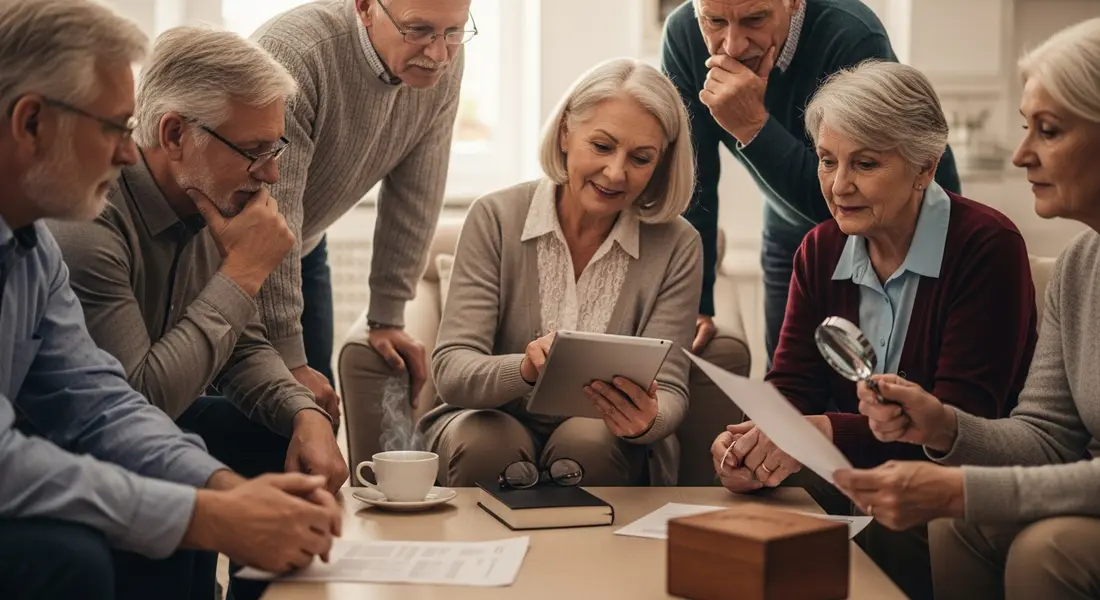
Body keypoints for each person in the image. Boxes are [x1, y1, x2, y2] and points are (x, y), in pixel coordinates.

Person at [0, 2, 342, 600]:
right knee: (66, 559)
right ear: (31, 123)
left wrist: (228, 489)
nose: (127, 152)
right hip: (36, 452)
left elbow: (99, 402)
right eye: (112, 127)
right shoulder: (80, 226)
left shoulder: (32, 247)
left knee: (244, 441)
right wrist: (204, 513)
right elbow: (120, 404)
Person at [709, 61, 1037, 599]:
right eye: (826, 160)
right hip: (853, 478)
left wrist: (823, 432)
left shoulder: (986, 246)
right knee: (749, 503)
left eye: (865, 163)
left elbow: (965, 423)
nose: (839, 186)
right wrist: (750, 445)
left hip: (955, 486)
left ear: (924, 168)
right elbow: (790, 386)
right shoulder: (820, 249)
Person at [833, 18, 1100, 600]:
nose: (1020, 154)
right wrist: (942, 425)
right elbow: (1048, 437)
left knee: (1043, 550)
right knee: (960, 525)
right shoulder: (1082, 265)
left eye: (1049, 131)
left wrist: (964, 490)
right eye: (1027, 128)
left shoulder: (988, 245)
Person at [416, 58, 701, 487]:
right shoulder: (494, 217)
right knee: (485, 442)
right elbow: (454, 371)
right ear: (567, 132)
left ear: (661, 163)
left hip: (606, 437)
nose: (616, 172)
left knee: (588, 441)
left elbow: (673, 391)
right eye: (602, 146)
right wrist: (526, 370)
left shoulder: (678, 244)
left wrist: (648, 421)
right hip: (488, 420)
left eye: (641, 158)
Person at [661, 0, 961, 364]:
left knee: (899, 373)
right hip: (787, 214)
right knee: (789, 379)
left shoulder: (850, 37)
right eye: (715, 21)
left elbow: (844, 196)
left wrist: (753, 127)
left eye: (755, 19)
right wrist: (696, 302)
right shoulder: (683, 35)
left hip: (899, 220)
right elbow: (692, 181)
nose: (732, 46)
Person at [249, 0, 473, 409]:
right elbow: (267, 213)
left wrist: (387, 317)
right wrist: (287, 355)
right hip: (221, 255)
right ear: (366, 7)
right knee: (274, 416)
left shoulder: (440, 63)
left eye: (454, 31)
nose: (439, 53)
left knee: (316, 410)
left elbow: (416, 192)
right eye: (418, 29)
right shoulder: (297, 54)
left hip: (305, 243)